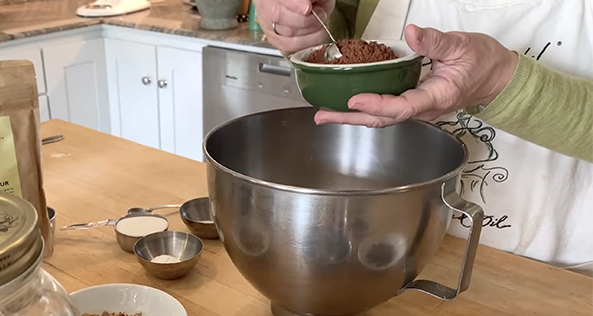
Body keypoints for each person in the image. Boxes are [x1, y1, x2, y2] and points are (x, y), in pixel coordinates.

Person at [252, 0, 593, 276]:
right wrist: (304, 27)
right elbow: (343, 27)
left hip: (554, 280)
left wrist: (499, 82)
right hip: (386, 256)